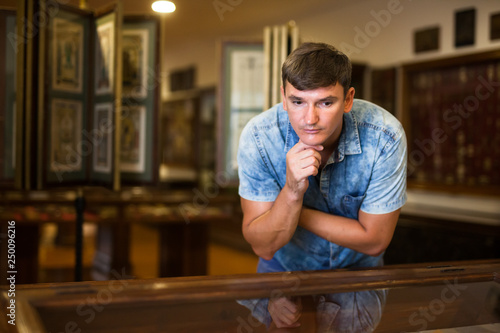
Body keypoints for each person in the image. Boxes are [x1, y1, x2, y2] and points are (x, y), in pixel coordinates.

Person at [236, 42, 407, 332]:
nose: (310, 119)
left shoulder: (384, 135)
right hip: (281, 271)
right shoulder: (259, 137)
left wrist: (293, 209)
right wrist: (291, 190)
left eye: (326, 103)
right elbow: (263, 246)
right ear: (283, 97)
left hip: (357, 276)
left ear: (348, 99)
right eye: (297, 101)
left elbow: (375, 240)